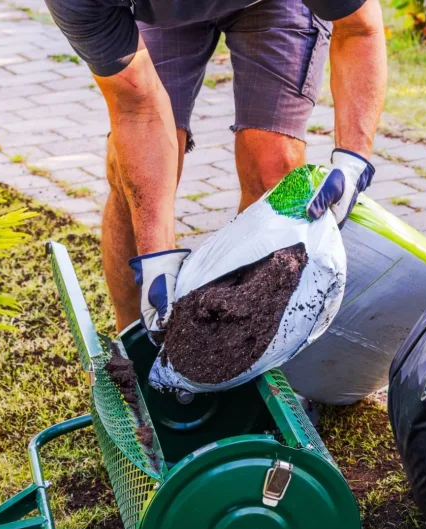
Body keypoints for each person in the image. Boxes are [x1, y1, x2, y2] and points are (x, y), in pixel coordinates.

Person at [44, 0, 387, 333]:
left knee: (273, 169)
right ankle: (134, 344)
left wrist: (353, 159)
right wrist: (156, 256)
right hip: (165, 14)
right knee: (132, 185)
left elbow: (358, 27)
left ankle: (241, 345)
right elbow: (138, 108)